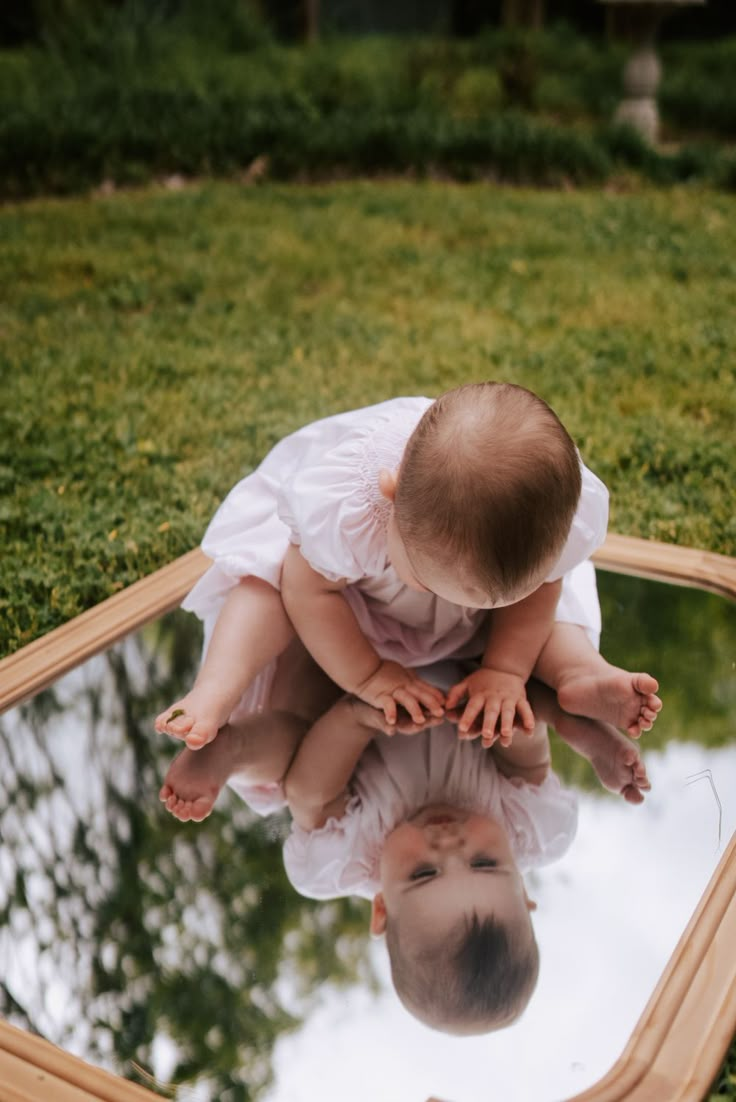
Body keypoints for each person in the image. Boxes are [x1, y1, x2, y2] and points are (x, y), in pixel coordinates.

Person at [159, 651, 650, 1035]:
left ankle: (230, 746)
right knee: (523, 692)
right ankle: (576, 722)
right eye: (484, 862)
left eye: (423, 874)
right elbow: (527, 760)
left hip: (339, 679)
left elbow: (310, 791)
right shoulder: (530, 829)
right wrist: (496, 718)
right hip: (471, 661)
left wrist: (357, 718)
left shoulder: (347, 860)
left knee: (288, 760)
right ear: (522, 887)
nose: (448, 845)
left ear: (382, 909)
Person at [156, 383, 661, 750]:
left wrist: (506, 669)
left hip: (490, 609)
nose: (453, 608)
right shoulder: (347, 509)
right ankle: (214, 689)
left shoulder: (548, 517)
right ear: (391, 498)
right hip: (339, 600)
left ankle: (580, 672)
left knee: (559, 598)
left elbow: (544, 584)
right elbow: (308, 592)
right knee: (265, 582)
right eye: (425, 580)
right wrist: (369, 674)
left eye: (484, 602)